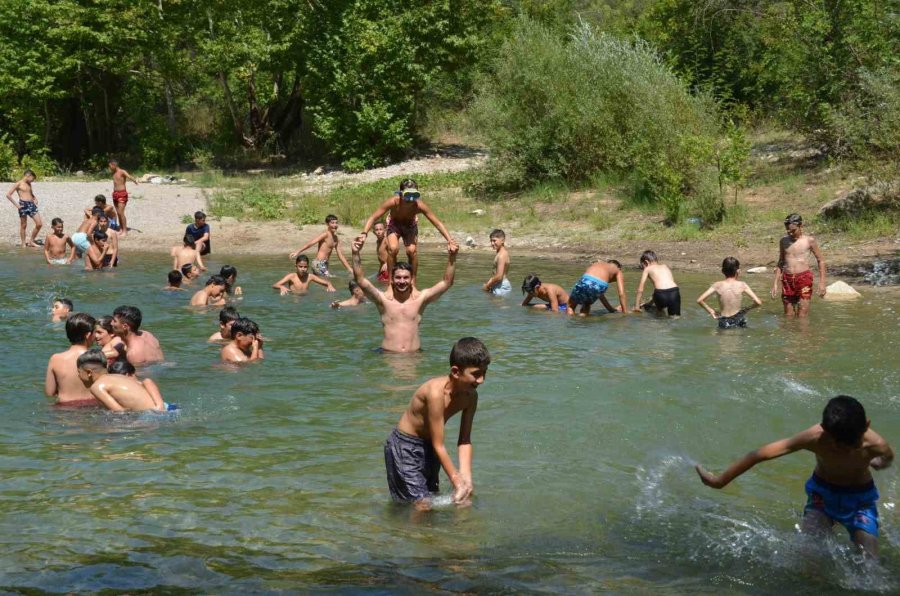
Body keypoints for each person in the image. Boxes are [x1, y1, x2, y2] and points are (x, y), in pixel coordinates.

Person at [696, 396, 894, 559]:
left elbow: (887, 458)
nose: (845, 450)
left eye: (853, 445)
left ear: (867, 425)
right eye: (838, 445)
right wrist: (720, 481)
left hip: (860, 500)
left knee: (869, 560)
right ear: (824, 429)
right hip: (822, 495)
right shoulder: (814, 438)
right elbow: (759, 455)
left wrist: (879, 463)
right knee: (809, 554)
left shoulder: (876, 445)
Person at [384, 337, 490, 509]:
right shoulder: (435, 393)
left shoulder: (470, 397)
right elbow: (439, 444)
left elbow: (464, 440)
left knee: (433, 498)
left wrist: (466, 477)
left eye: (485, 373)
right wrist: (456, 480)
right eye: (476, 374)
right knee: (421, 504)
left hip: (430, 448)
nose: (481, 380)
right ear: (456, 372)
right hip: (405, 446)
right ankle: (405, 526)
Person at [351, 235, 458, 353]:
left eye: (406, 277)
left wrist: (452, 257)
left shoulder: (421, 299)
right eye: (398, 277)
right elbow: (360, 280)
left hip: (414, 356)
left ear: (411, 280)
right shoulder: (383, 300)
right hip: (389, 355)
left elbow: (447, 282)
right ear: (392, 280)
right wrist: (355, 253)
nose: (402, 281)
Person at [357, 179, 455, 279]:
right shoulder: (393, 202)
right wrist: (364, 233)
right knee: (393, 249)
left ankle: (413, 281)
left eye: (415, 195)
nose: (411, 199)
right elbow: (373, 217)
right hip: (394, 224)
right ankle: (391, 282)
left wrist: (450, 240)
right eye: (408, 195)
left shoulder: (419, 205)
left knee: (412, 251)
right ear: (400, 193)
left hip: (410, 226)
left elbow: (437, 223)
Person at [76, 348, 170, 412]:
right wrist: (160, 405)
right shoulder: (119, 377)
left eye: (79, 372)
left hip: (151, 416)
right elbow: (147, 381)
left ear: (89, 372)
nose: (78, 376)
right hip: (167, 407)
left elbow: (119, 412)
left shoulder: (97, 387)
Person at [771, 213, 827, 317]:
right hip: (787, 280)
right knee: (788, 315)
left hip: (804, 279)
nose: (790, 233)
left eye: (793, 231)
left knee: (802, 315)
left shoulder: (809, 241)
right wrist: (775, 284)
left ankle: (802, 327)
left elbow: (821, 261)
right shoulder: (783, 241)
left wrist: (822, 283)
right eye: (788, 231)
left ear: (801, 226)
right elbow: (781, 262)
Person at [44, 313, 98, 407]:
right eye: (95, 332)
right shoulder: (98, 359)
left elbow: (50, 393)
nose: (96, 336)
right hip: (92, 408)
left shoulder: (56, 359)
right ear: (88, 335)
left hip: (64, 409)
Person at [696, 257, 763, 328]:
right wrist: (745, 310)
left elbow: (700, 300)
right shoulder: (742, 285)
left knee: (723, 334)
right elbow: (758, 302)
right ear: (738, 271)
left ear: (722, 271)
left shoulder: (717, 285)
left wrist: (712, 311)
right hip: (739, 318)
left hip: (724, 320)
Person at [632, 250, 681, 316]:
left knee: (659, 316)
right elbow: (667, 287)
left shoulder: (647, 269)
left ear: (646, 262)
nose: (644, 268)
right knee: (675, 317)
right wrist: (650, 302)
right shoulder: (665, 266)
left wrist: (637, 306)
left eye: (643, 266)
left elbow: (640, 290)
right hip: (674, 292)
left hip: (660, 294)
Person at [6, 169, 43, 247]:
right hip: (23, 205)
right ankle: (23, 243)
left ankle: (31, 241)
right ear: (28, 176)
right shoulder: (18, 184)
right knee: (23, 225)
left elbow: (30, 193)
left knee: (39, 224)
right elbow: (8, 195)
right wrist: (17, 205)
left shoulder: (29, 184)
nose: (32, 181)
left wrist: (34, 198)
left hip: (31, 204)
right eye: (32, 178)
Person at [109, 159, 138, 236]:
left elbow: (129, 176)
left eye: (110, 166)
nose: (109, 168)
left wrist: (135, 181)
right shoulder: (113, 173)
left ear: (114, 165)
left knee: (121, 213)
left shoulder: (122, 171)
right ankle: (121, 229)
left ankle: (125, 231)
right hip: (115, 194)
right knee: (118, 213)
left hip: (122, 194)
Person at [482, 229, 511, 296]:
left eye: (494, 240)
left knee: (497, 302)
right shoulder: (500, 253)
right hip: (499, 284)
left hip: (501, 286)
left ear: (502, 240)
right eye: (491, 241)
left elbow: (499, 276)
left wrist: (487, 286)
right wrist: (488, 283)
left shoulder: (501, 255)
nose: (492, 243)